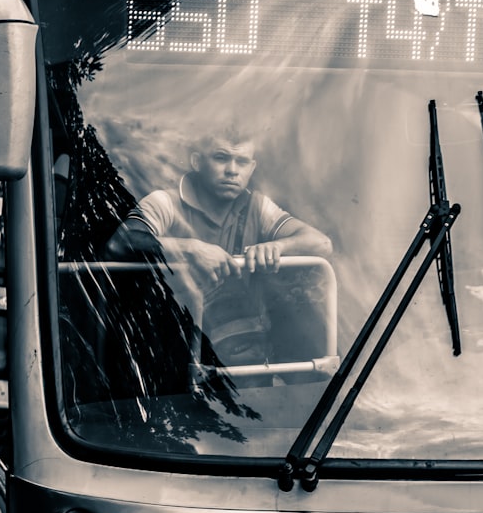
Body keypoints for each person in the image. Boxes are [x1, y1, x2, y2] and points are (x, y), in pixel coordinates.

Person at [108, 129, 332, 366]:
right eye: (221, 158)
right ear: (197, 161)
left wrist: (277, 246)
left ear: (252, 168)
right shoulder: (165, 202)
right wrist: (190, 249)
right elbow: (120, 242)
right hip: (169, 348)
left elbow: (321, 244)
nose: (232, 170)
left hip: (242, 356)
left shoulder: (257, 207)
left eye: (242, 161)